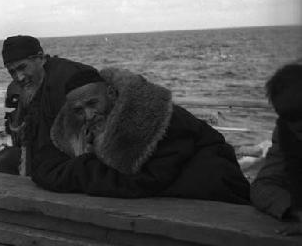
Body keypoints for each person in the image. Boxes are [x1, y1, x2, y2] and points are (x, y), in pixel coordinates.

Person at [31, 68, 250, 204]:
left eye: (92, 104)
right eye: (79, 110)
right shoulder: (78, 121)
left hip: (217, 194)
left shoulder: (158, 119)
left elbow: (144, 181)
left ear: (111, 93)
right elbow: (42, 163)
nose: (87, 115)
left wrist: (80, 168)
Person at [0, 35, 94, 175]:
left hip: (76, 162)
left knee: (6, 160)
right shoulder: (29, 86)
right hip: (49, 157)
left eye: (22, 67)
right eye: (12, 72)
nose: (19, 77)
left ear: (40, 57)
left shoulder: (65, 80)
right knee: (6, 158)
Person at [251, 63, 302, 235]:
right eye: (289, 116)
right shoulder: (285, 132)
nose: (298, 127)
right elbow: (263, 186)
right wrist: (295, 210)